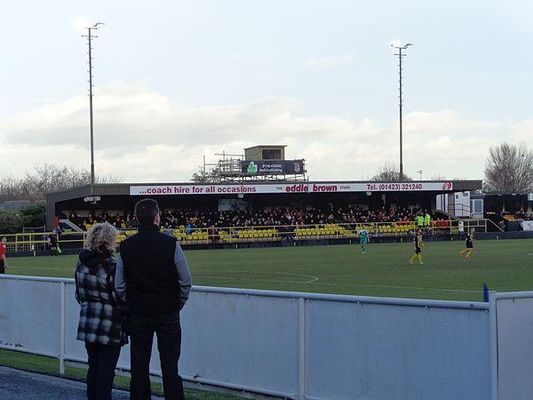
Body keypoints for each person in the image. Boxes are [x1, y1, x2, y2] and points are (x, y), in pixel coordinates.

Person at [115, 199, 192, 400]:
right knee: (170, 366)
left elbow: (119, 285)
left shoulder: (126, 246)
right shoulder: (170, 244)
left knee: (139, 366)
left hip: (139, 313)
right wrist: (177, 304)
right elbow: (185, 280)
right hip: (168, 313)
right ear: (157, 217)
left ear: (137, 219)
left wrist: (130, 303)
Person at [75, 223, 128, 400]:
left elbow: (78, 295)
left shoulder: (80, 263)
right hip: (110, 325)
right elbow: (119, 297)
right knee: (106, 371)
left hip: (88, 322)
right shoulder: (112, 266)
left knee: (94, 368)